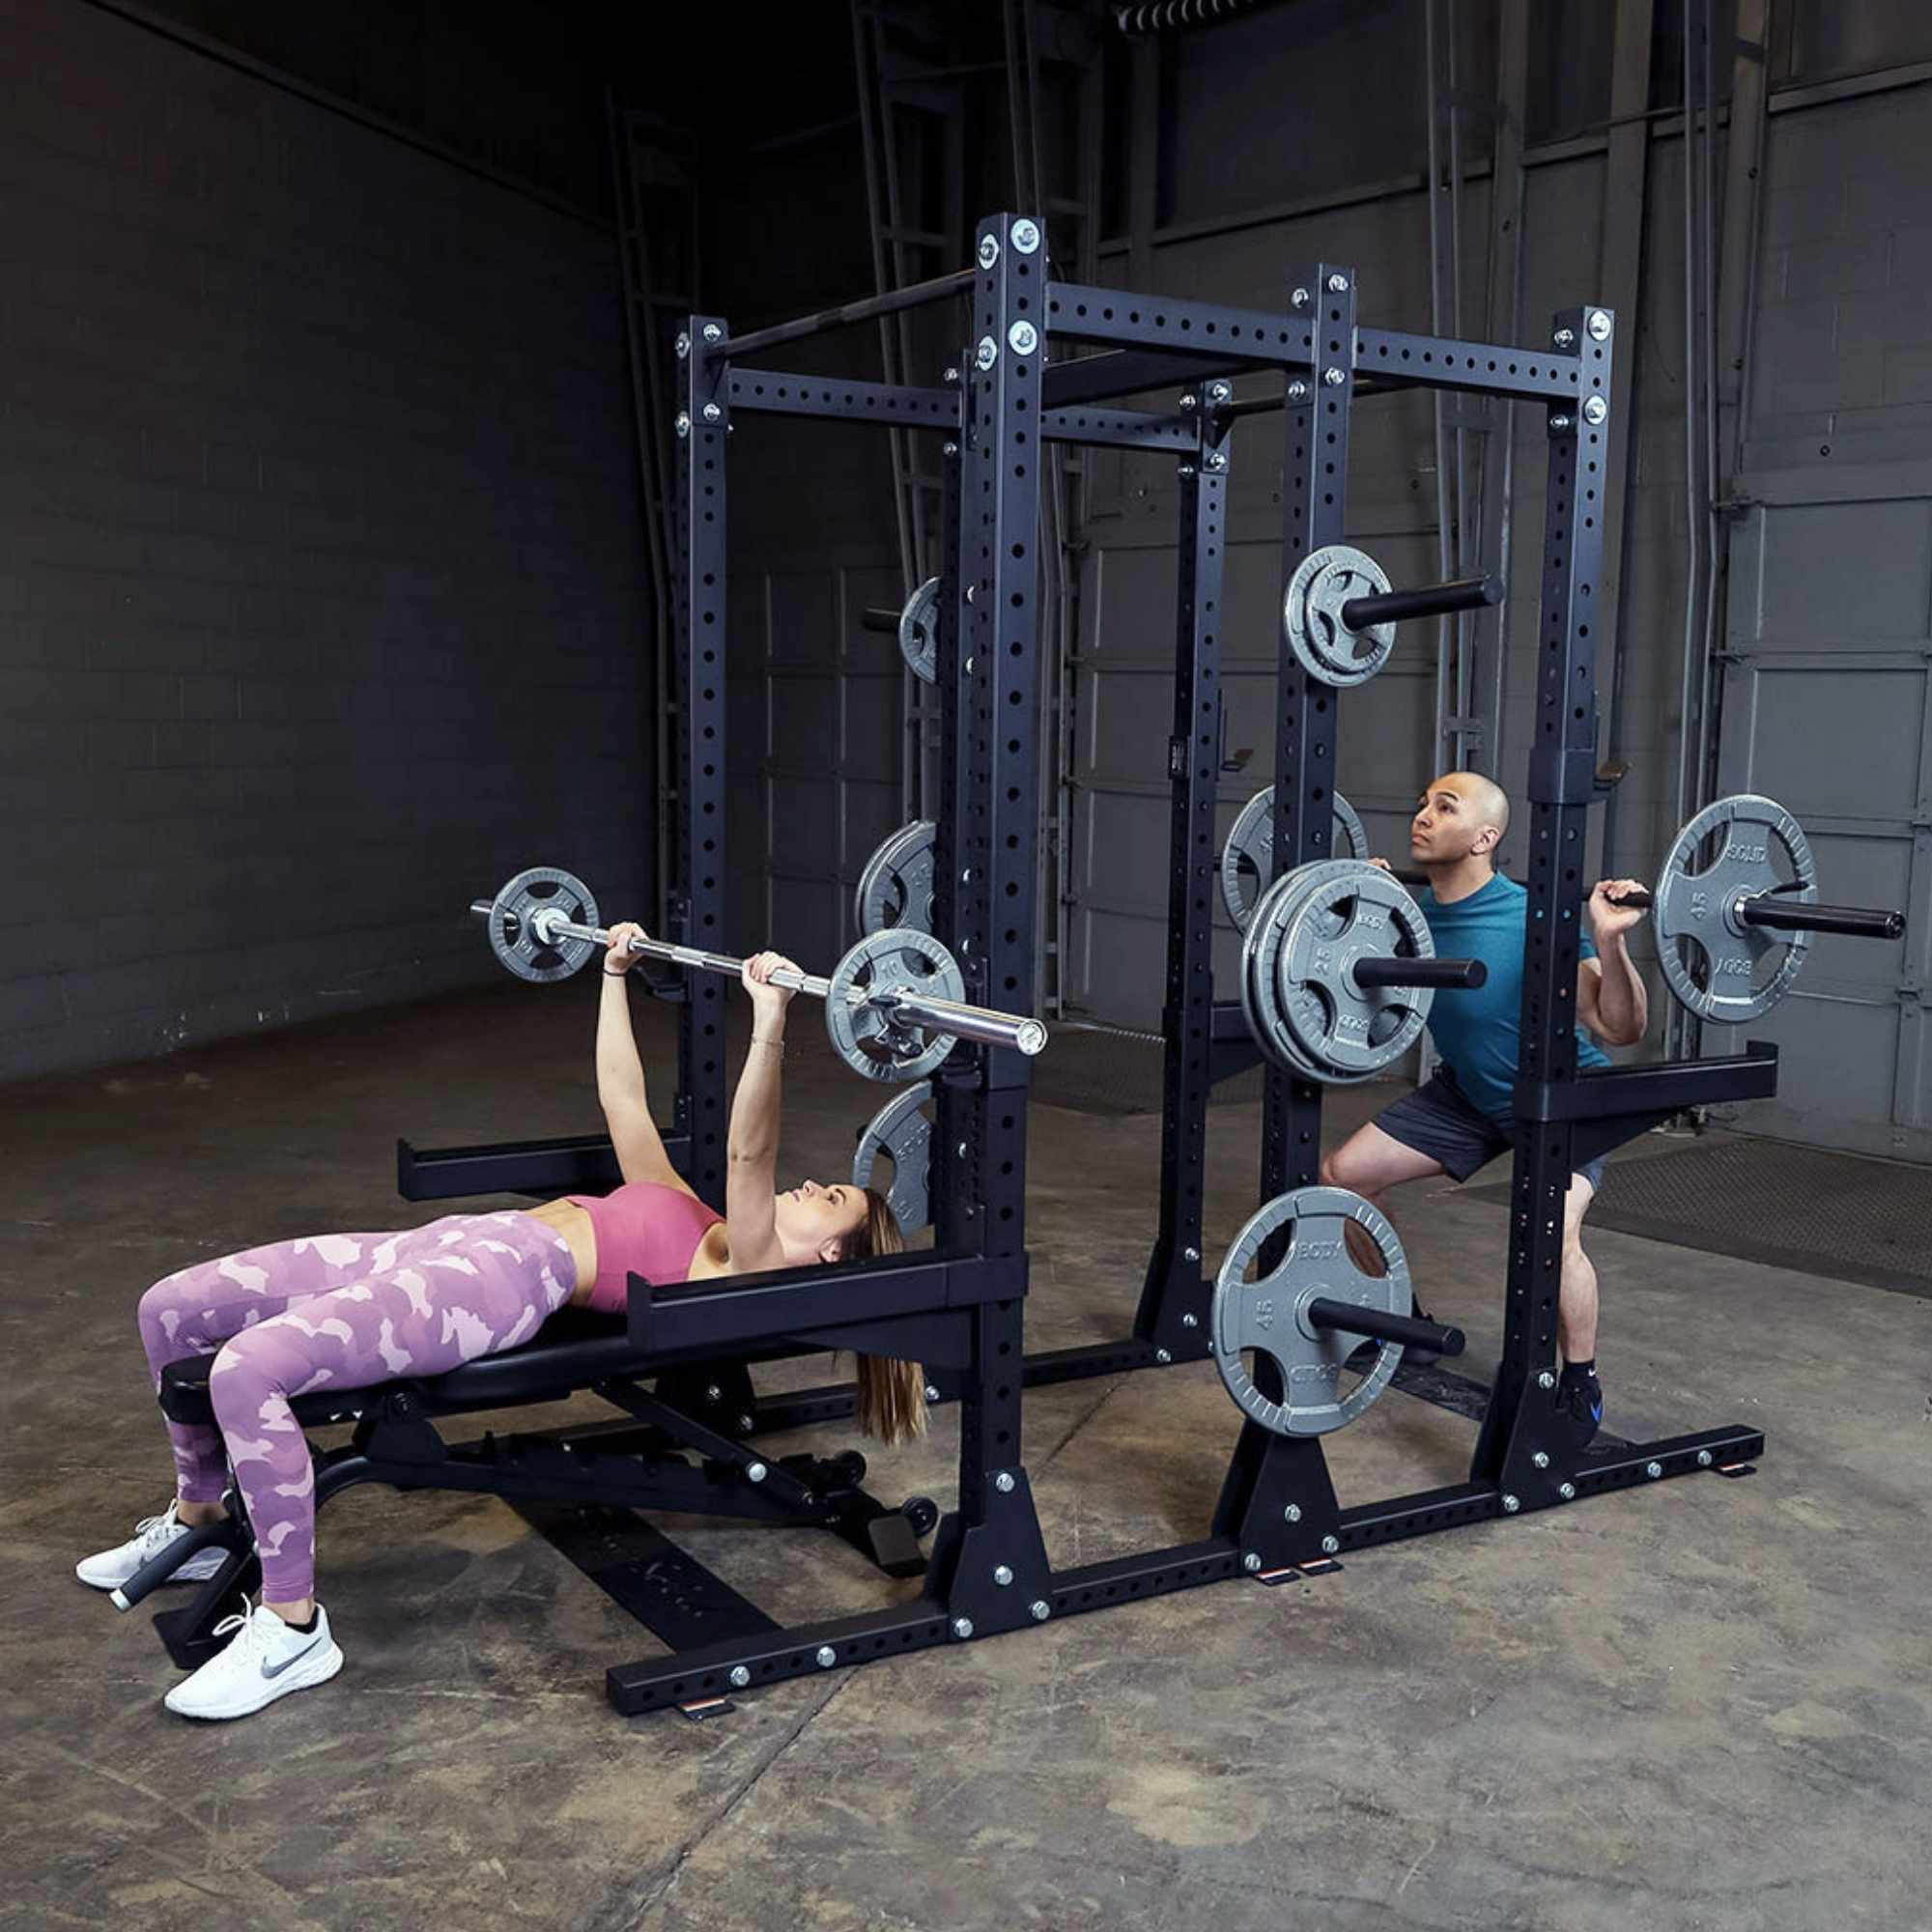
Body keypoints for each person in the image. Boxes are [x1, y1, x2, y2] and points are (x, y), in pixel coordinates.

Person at [79, 927, 911, 1721]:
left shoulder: (750, 1268)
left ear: (833, 1254)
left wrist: (770, 1020)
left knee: (246, 1371)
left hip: (495, 1284)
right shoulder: (699, 1216)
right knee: (171, 1309)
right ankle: (203, 1523)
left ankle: (292, 1629)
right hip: (450, 1244)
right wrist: (613, 976)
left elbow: (750, 1155)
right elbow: (623, 1101)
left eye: (831, 1198)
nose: (812, 1185)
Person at [1321, 773, 1649, 1445]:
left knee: (1551, 1230)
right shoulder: (1408, 913)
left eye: (1446, 808)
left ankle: (1578, 1379)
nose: (1423, 816)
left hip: (1561, 1100)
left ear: (1485, 838)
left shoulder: (1533, 917)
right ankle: (1400, 1319)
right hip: (1469, 1094)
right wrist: (1357, 907)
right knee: (1342, 1177)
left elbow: (1620, 1028)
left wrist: (1612, 940)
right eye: (1422, 804)